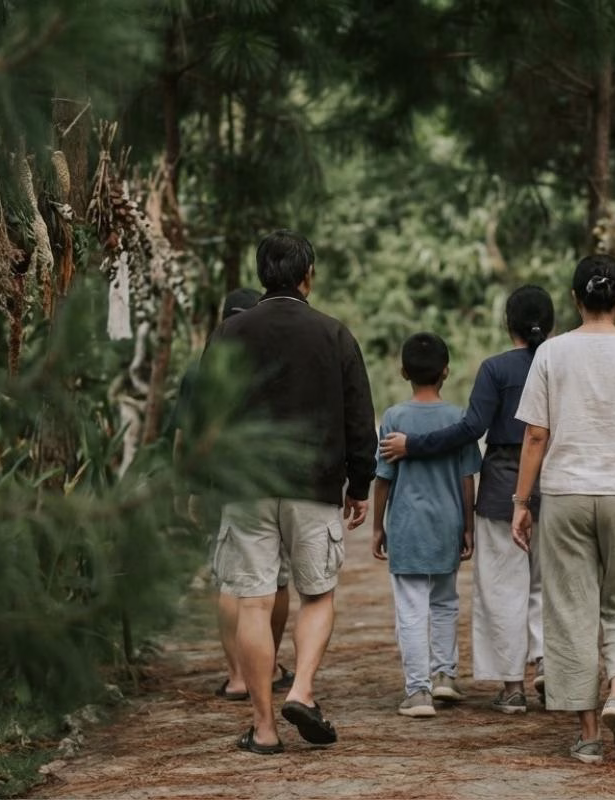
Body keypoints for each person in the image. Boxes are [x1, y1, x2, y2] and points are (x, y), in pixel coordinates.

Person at [203, 230, 377, 755]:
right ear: (309, 276)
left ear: (262, 277)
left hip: (246, 486)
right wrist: (360, 483)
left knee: (254, 604)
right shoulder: (334, 334)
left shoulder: (229, 333)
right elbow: (358, 416)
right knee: (317, 594)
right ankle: (301, 688)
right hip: (314, 485)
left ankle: (263, 728)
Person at [510, 254, 615, 765]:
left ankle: (587, 735)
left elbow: (536, 435)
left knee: (571, 608)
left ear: (575, 299)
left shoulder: (550, 354)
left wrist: (521, 501)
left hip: (564, 494)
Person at [380, 286, 555, 713]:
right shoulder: (560, 364)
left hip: (502, 487)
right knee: (548, 584)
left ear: (507, 324)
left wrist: (413, 445)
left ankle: (513, 687)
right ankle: (549, 661)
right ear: (548, 325)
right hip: (555, 481)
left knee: (502, 587)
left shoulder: (495, 369)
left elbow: (471, 428)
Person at [170, 288, 296, 703]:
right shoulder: (274, 363)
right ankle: (269, 665)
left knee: (228, 578)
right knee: (274, 580)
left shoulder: (201, 370)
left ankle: (238, 675)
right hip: (267, 481)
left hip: (218, 485)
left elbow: (184, 437)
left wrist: (186, 487)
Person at [373, 333, 481, 717]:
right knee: (445, 602)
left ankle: (418, 692)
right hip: (447, 523)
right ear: (446, 372)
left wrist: (377, 526)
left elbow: (383, 478)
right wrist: (468, 526)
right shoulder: (457, 419)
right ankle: (445, 676)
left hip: (406, 525)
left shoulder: (394, 417)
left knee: (411, 608)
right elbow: (468, 478)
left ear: (403, 372)